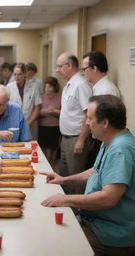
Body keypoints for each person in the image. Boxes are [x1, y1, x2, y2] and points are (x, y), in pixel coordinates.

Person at [40, 95, 135, 256]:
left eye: (90, 118)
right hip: (96, 221)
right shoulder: (110, 140)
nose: (86, 122)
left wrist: (66, 199)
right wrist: (63, 180)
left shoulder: (120, 149)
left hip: (112, 234)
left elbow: (109, 198)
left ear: (105, 123)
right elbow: (95, 171)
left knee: (53, 243)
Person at [56, 52, 92, 194]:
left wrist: (81, 140)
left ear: (69, 66)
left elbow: (88, 115)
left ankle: (79, 212)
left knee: (76, 178)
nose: (57, 70)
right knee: (64, 176)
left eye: (59, 66)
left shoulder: (81, 85)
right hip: (66, 138)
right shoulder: (68, 85)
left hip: (76, 139)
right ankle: (67, 208)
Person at [82, 51, 121, 168]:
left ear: (94, 68)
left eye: (84, 69)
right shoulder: (98, 87)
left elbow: (107, 121)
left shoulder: (106, 90)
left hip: (105, 138)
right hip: (100, 137)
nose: (83, 73)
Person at [7, 63, 42, 139]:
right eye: (15, 74)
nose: (17, 77)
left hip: (30, 123)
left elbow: (37, 107)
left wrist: (29, 123)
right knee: (15, 146)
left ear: (25, 74)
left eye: (19, 74)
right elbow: (6, 106)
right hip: (14, 124)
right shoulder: (9, 87)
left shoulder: (34, 87)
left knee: (30, 147)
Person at [38, 76, 61, 167]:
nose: (47, 89)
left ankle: (52, 164)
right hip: (43, 126)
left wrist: (55, 112)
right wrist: (42, 112)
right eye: (46, 86)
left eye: (50, 86)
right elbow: (36, 112)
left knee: (53, 147)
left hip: (55, 126)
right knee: (43, 146)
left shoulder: (60, 97)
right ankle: (45, 165)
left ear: (55, 87)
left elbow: (64, 113)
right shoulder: (41, 97)